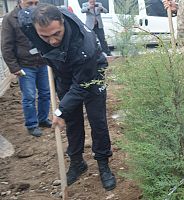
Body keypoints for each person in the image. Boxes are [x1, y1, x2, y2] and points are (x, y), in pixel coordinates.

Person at [18, 4, 116, 190]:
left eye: (57, 34)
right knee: (72, 121)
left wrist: (59, 110)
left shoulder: (84, 44)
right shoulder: (27, 21)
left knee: (98, 122)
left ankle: (103, 164)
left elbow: (81, 87)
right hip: (63, 73)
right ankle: (77, 162)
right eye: (45, 36)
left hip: (91, 75)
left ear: (63, 23)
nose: (52, 40)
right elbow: (23, 14)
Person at [1, 0, 51, 137]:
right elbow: (6, 46)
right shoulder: (10, 18)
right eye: (30, 3)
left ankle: (43, 119)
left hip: (42, 62)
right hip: (25, 65)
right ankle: (31, 124)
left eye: (36, 2)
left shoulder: (40, 13)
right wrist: (13, 67)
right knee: (29, 96)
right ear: (21, 1)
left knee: (45, 93)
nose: (34, 6)